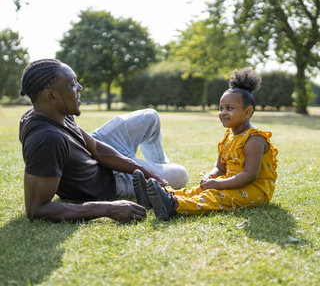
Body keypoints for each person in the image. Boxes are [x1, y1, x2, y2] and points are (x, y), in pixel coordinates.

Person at [19, 59, 189, 223]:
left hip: (94, 159)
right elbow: (37, 209)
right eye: (72, 84)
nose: (80, 88)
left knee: (150, 116)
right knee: (181, 174)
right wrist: (108, 208)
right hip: (108, 181)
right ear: (51, 96)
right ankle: (157, 187)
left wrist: (148, 173)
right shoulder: (46, 140)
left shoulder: (56, 112)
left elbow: (97, 148)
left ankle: (155, 183)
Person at [133, 68, 278, 220]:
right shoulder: (228, 137)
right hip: (232, 183)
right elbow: (220, 167)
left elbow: (250, 175)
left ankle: (174, 205)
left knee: (214, 196)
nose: (223, 112)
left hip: (254, 190)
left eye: (229, 108)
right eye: (221, 108)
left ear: (247, 112)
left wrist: (219, 185)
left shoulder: (254, 139)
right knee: (199, 190)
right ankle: (155, 197)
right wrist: (211, 176)